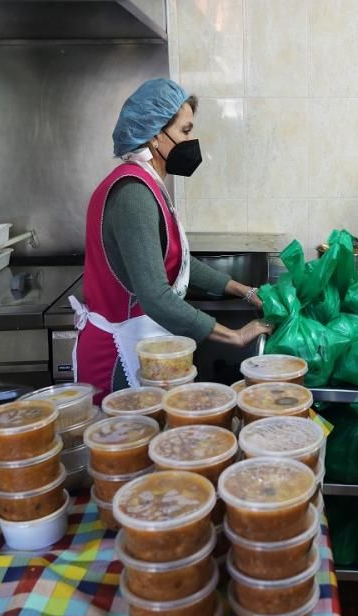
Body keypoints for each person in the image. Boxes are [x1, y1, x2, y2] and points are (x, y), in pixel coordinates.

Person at [73, 78, 272, 401]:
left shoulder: (144, 184)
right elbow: (155, 296)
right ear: (155, 136)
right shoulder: (133, 194)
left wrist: (244, 291)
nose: (192, 140)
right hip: (120, 359)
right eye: (184, 131)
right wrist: (234, 336)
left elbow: (175, 260)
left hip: (142, 346)